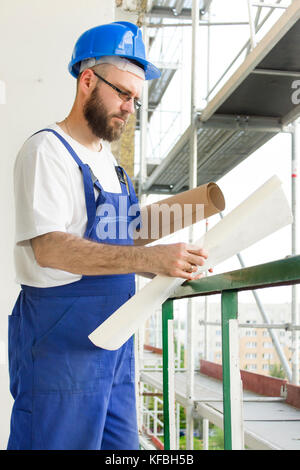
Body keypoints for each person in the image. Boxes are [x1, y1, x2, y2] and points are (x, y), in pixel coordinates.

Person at [7, 21, 209, 450]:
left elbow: (126, 233)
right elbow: (50, 247)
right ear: (87, 81)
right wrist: (151, 260)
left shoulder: (110, 165)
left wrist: (197, 215)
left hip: (114, 347)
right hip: (61, 349)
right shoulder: (48, 152)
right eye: (122, 93)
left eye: (136, 99)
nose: (129, 108)